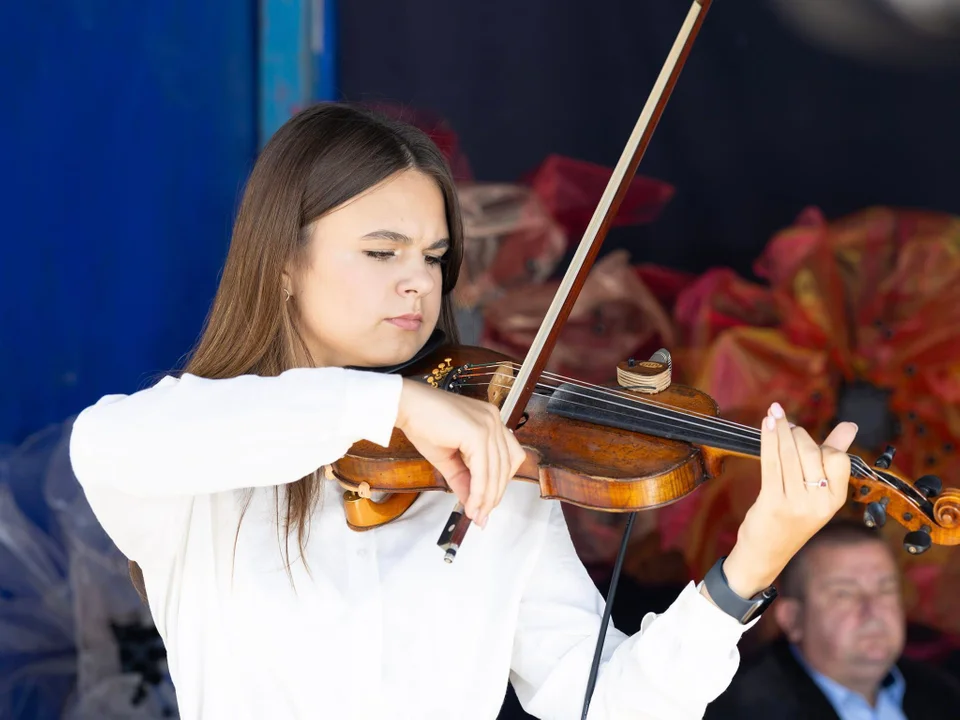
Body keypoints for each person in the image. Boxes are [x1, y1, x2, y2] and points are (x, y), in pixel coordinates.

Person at [68, 102, 860, 720]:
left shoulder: (491, 466)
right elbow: (105, 443)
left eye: (436, 258)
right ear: (282, 262)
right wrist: (390, 403)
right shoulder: (203, 468)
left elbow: (602, 704)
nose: (419, 283)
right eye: (382, 253)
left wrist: (751, 563)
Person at [704, 520, 960, 719]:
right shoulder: (740, 709)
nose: (872, 610)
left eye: (886, 589)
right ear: (792, 619)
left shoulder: (944, 692)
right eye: (844, 593)